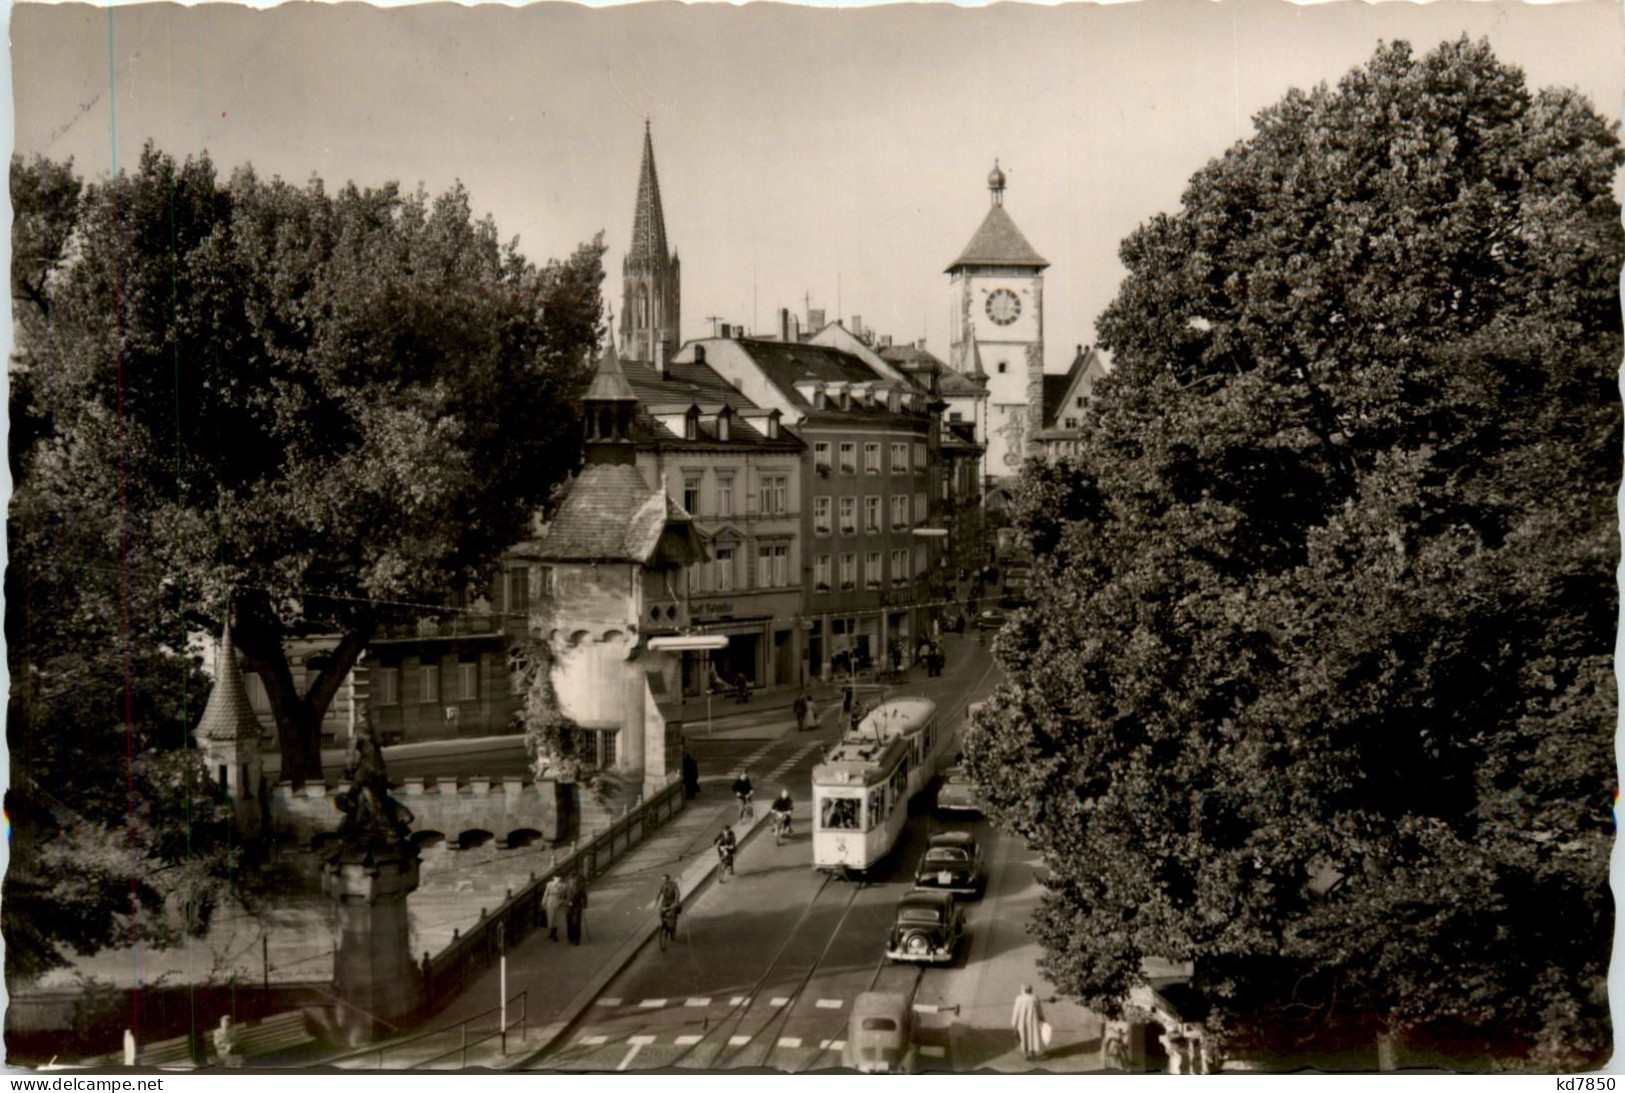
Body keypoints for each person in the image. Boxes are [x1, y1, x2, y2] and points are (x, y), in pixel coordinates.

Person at [1012, 985, 1046, 1061]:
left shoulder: (1019, 999)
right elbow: (1039, 1010)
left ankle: (1026, 1054)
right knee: (1033, 1035)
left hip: (1022, 1021)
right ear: (1031, 990)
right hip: (1033, 1020)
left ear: (1023, 990)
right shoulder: (1035, 998)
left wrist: (1014, 1023)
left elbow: (1016, 1012)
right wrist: (1042, 1019)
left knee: (1024, 1036)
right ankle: (1033, 1053)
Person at [653, 873, 681, 937]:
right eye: (663, 880)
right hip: (665, 901)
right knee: (660, 912)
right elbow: (659, 894)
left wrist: (676, 902)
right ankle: (663, 923)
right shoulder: (662, 886)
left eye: (665, 880)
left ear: (668, 879)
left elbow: (677, 894)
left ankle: (672, 928)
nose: (664, 881)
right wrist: (656, 903)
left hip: (672, 901)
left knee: (672, 913)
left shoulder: (674, 884)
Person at [564, 873, 588, 946]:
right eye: (570, 880)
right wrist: (566, 903)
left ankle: (577, 939)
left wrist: (584, 905)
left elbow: (584, 897)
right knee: (569, 922)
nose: (572, 881)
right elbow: (564, 896)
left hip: (577, 907)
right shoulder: (566, 887)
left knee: (576, 923)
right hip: (568, 907)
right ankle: (570, 938)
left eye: (573, 880)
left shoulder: (580, 887)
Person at [542, 873, 565, 941]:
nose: (558, 879)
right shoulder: (549, 884)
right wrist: (544, 901)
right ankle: (552, 932)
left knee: (557, 918)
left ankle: (555, 933)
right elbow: (546, 892)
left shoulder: (563, 885)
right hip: (550, 901)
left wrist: (562, 901)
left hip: (558, 901)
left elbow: (563, 895)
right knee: (550, 917)